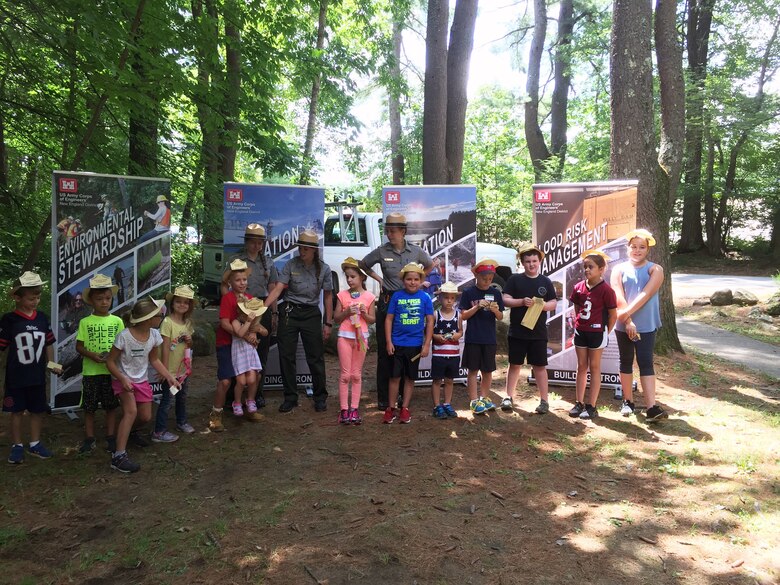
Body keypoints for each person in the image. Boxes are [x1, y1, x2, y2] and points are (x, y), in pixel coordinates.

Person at [359, 213, 432, 410]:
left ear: (403, 231)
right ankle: (384, 398)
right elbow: (363, 264)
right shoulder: (382, 251)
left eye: (393, 231)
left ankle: (402, 396)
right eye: (387, 231)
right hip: (388, 302)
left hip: (409, 305)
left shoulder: (416, 252)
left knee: (406, 351)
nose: (389, 234)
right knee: (386, 351)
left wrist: (419, 280)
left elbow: (430, 264)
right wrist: (379, 279)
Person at [106, 297, 180, 473]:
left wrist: (169, 376)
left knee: (145, 417)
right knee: (131, 411)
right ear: (148, 319)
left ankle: (128, 431)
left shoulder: (154, 335)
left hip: (141, 381)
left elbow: (154, 359)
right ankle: (118, 456)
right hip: (122, 380)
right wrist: (123, 379)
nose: (161, 317)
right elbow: (109, 362)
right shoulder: (124, 336)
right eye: (158, 315)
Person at [263, 230, 333, 413]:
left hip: (311, 313)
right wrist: (263, 307)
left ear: (314, 250)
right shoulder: (290, 264)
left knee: (315, 356)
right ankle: (290, 397)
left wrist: (328, 323)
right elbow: (278, 289)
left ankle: (320, 396)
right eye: (300, 248)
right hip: (290, 311)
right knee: (286, 355)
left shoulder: (324, 269)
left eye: (306, 249)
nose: (302, 251)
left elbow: (327, 297)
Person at [610, 229, 668, 422]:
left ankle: (651, 407)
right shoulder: (618, 269)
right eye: (633, 246)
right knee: (625, 361)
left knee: (646, 362)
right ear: (628, 248)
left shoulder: (656, 269)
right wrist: (627, 321)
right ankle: (628, 402)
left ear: (648, 249)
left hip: (646, 325)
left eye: (642, 247)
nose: (637, 250)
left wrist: (626, 314)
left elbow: (646, 294)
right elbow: (618, 295)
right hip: (623, 326)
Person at [2, 272, 59, 464]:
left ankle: (35, 443)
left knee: (37, 410)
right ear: (17, 298)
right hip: (16, 377)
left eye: (38, 297)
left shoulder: (42, 318)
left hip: (37, 376)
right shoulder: (9, 320)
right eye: (31, 298)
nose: (35, 301)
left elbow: (49, 344)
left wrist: (52, 364)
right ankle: (17, 445)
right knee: (16, 411)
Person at [224, 223, 279, 408]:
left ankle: (256, 394)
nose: (257, 246)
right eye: (253, 242)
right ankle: (234, 395)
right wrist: (230, 302)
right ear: (246, 242)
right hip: (239, 309)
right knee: (237, 352)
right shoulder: (236, 260)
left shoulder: (268, 262)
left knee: (260, 353)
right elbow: (224, 284)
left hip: (261, 307)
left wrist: (274, 312)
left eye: (260, 242)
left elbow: (272, 288)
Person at [503, 244, 558, 414]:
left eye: (534, 261)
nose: (531, 264)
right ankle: (508, 397)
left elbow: (553, 302)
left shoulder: (545, 281)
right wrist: (521, 302)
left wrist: (542, 306)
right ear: (522, 262)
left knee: (540, 366)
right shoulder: (514, 279)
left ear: (540, 261)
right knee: (514, 365)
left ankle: (544, 400)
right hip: (517, 332)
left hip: (538, 333)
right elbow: (505, 299)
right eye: (527, 261)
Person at [209, 259, 263, 431]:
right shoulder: (228, 298)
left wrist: (253, 333)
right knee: (225, 381)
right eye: (238, 280)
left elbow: (256, 322)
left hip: (244, 345)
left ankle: (248, 406)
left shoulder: (249, 299)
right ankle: (216, 415)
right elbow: (225, 323)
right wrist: (246, 336)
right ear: (230, 282)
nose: (242, 283)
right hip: (226, 343)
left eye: (244, 279)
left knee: (255, 375)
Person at [76, 274, 123, 454]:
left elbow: (122, 345)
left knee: (111, 405)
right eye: (99, 299)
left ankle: (111, 437)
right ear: (91, 301)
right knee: (89, 407)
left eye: (108, 298)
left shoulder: (117, 321)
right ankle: (89, 438)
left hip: (111, 372)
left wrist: (113, 358)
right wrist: (92, 355)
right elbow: (79, 347)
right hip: (91, 372)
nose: (104, 302)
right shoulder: (85, 322)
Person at [568, 250, 618, 421]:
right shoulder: (578, 287)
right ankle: (579, 402)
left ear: (602, 269)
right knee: (581, 366)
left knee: (595, 367)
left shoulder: (607, 290)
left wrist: (605, 331)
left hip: (597, 333)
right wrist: (579, 324)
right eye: (585, 267)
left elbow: (613, 315)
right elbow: (577, 308)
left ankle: (592, 406)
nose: (587, 270)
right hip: (581, 331)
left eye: (591, 267)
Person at [383, 262, 434, 424]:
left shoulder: (425, 298)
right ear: (403, 280)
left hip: (415, 345)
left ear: (420, 281)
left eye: (416, 279)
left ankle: (404, 408)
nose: (412, 282)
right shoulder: (397, 296)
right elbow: (389, 319)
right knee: (394, 377)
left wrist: (426, 345)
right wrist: (389, 341)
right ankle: (391, 408)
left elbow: (430, 322)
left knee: (410, 378)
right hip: (397, 344)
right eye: (409, 279)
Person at [460, 259, 505, 415]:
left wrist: (495, 310)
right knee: (473, 370)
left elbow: (500, 317)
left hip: (489, 338)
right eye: (484, 278)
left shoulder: (496, 293)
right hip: (473, 337)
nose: (487, 281)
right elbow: (463, 316)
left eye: (490, 279)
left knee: (487, 370)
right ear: (476, 276)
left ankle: (484, 398)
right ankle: (474, 401)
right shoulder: (468, 293)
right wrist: (477, 306)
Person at [333, 257, 376, 425]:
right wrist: (346, 312)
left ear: (362, 277)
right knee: (345, 375)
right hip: (344, 337)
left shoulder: (370, 297)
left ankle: (354, 409)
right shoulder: (342, 296)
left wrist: (364, 313)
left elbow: (372, 320)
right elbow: (336, 318)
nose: (349, 280)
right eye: (347, 277)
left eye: (353, 276)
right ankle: (344, 409)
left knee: (356, 375)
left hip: (361, 339)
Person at [152, 285, 196, 442]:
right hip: (170, 372)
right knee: (167, 400)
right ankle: (159, 432)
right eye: (179, 301)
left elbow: (188, 347)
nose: (182, 305)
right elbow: (164, 347)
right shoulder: (167, 323)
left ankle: (181, 422)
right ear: (172, 303)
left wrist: (190, 341)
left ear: (189, 305)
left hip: (183, 370)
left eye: (186, 302)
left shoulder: (188, 324)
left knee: (182, 397)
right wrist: (165, 371)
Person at [230, 298, 268, 417]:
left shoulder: (254, 324)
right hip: (239, 354)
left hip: (251, 354)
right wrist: (247, 322)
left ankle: (250, 400)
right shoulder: (236, 322)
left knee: (252, 380)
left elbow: (266, 332)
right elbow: (240, 333)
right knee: (241, 381)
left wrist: (259, 329)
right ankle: (236, 403)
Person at [430, 281, 462, 419]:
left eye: (452, 298)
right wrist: (437, 337)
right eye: (446, 297)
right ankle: (437, 405)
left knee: (449, 380)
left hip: (453, 354)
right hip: (439, 354)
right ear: (440, 298)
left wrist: (457, 335)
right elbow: (430, 332)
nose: (449, 301)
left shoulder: (458, 315)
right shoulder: (436, 314)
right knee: (437, 380)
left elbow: (460, 331)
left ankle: (447, 403)